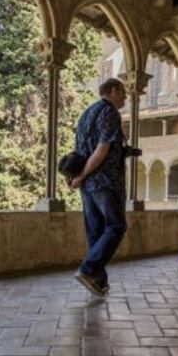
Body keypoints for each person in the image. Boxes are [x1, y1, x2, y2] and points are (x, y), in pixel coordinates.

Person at [71, 78, 127, 298]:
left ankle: (98, 282)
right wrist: (84, 174)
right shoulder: (110, 112)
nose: (125, 98)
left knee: (96, 232)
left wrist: (78, 176)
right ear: (113, 91)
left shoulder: (86, 114)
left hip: (87, 185)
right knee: (116, 226)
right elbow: (101, 151)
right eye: (123, 93)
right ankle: (87, 269)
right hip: (106, 181)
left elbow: (80, 150)